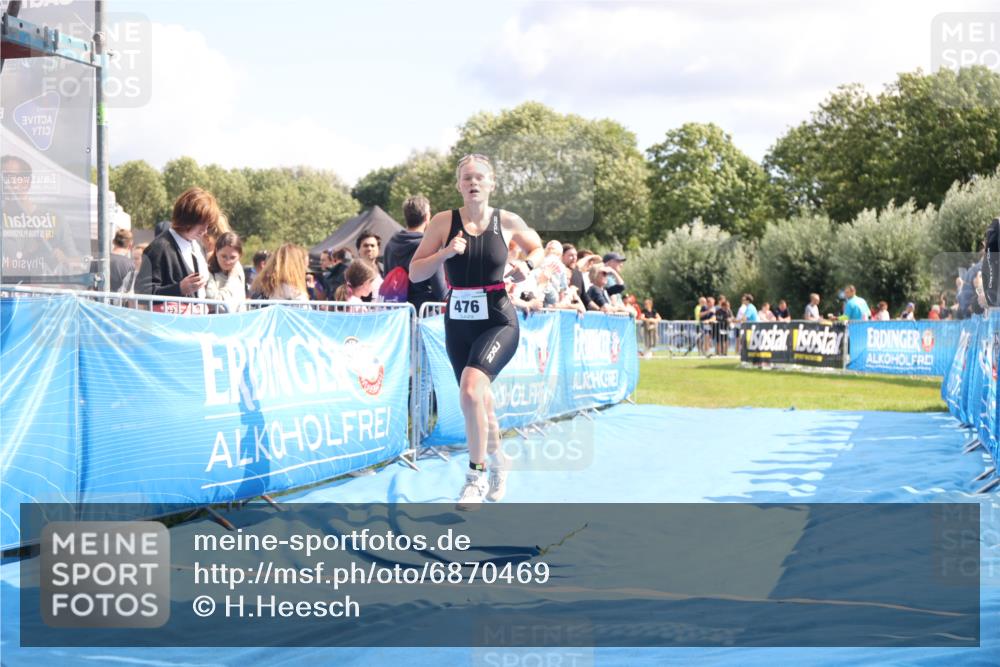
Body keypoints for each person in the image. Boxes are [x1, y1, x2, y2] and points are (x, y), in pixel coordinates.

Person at [408, 154, 543, 509]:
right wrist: (445, 253)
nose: (473, 182)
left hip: (498, 318)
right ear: (458, 185)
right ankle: (500, 461)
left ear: (492, 182)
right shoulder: (442, 222)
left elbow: (543, 248)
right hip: (458, 320)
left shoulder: (508, 221)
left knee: (469, 390)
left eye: (480, 177)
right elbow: (415, 273)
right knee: (479, 401)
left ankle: (475, 476)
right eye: (467, 178)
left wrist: (526, 266)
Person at [135, 187, 217, 300]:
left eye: (208, 225)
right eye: (201, 224)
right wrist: (179, 289)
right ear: (187, 218)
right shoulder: (159, 248)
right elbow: (142, 293)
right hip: (171, 317)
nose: (205, 230)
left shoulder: (198, 245)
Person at [382, 195, 448, 313]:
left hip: (396, 315)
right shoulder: (429, 246)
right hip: (424, 315)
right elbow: (440, 290)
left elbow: (386, 278)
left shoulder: (390, 245)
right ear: (427, 217)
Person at [206, 232, 246, 313]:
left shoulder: (237, 268)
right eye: (224, 256)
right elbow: (218, 305)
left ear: (239, 256)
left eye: (233, 257)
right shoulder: (207, 271)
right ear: (216, 252)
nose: (228, 262)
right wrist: (231, 279)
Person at [355, 233, 383, 300]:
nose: (369, 248)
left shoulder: (385, 269)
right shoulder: (352, 272)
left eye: (372, 246)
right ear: (359, 250)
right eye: (365, 246)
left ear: (378, 250)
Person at [108, 228, 135, 292]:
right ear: (130, 245)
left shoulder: (98, 259)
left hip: (92, 301)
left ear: (113, 241)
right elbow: (126, 291)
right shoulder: (130, 264)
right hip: (115, 301)